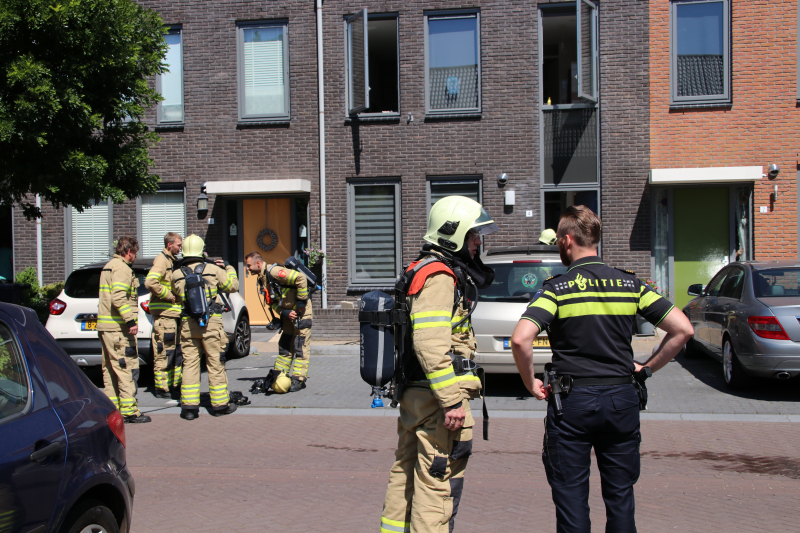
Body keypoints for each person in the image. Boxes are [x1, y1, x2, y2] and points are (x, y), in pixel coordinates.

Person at [511, 206, 693, 533]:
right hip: (623, 399)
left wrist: (530, 383)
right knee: (620, 495)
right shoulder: (630, 284)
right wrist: (647, 369)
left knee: (571, 498)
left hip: (573, 404)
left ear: (567, 240)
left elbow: (521, 340)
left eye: (557, 241)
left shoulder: (557, 289)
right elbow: (683, 330)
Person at [380, 196, 497, 533]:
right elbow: (431, 345)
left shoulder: (421, 268)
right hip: (437, 401)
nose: (478, 243)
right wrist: (452, 400)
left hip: (418, 395)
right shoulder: (440, 276)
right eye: (474, 235)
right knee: (437, 480)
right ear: (454, 234)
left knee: (406, 470)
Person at [172, 235, 239, 420]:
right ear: (202, 250)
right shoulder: (213, 270)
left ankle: (189, 409)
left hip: (188, 325)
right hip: (211, 324)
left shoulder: (176, 274)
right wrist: (229, 267)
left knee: (190, 365)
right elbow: (233, 286)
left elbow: (176, 295)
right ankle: (219, 406)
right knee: (215, 364)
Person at [98, 236, 151, 424]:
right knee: (125, 368)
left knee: (110, 370)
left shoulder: (108, 266)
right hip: (119, 330)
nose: (135, 257)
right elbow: (119, 297)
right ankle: (129, 411)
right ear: (129, 252)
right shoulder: (122, 269)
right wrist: (130, 321)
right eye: (134, 253)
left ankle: (112, 410)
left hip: (106, 328)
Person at [245, 251, 311, 392]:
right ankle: (281, 373)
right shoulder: (263, 279)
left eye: (249, 265)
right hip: (288, 315)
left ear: (258, 263)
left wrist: (300, 306)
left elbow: (301, 278)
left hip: (301, 313)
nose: (247, 268)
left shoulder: (274, 272)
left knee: (300, 344)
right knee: (285, 344)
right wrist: (285, 312)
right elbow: (271, 302)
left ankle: (299, 379)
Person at [145, 232, 184, 398]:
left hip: (171, 315)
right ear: (169, 245)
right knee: (164, 352)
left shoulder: (171, 260)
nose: (180, 248)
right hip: (164, 315)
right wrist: (169, 295)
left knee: (172, 352)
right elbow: (150, 282)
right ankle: (162, 389)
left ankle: (171, 385)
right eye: (178, 245)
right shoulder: (162, 260)